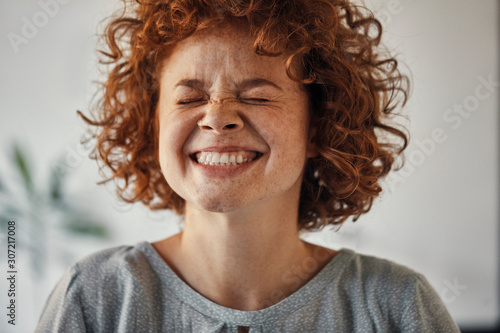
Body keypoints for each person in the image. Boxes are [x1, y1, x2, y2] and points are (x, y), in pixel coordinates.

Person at [36, 0, 460, 332]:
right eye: (188, 98)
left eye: (258, 95)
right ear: (154, 125)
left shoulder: (400, 307)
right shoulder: (92, 299)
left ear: (318, 129)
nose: (217, 116)